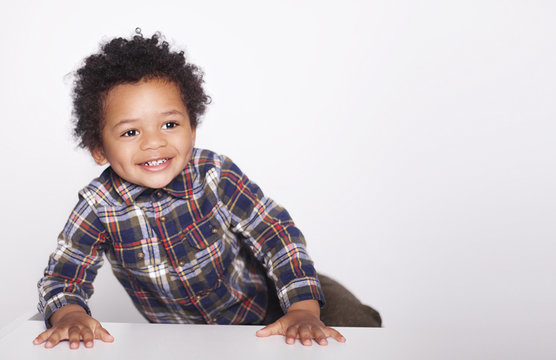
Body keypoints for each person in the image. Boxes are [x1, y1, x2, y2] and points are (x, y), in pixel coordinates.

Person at [33, 30, 378, 350]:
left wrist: (303, 309)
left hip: (275, 296)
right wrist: (70, 315)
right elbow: (63, 276)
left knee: (357, 325)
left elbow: (276, 235)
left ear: (192, 129)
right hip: (199, 339)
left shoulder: (214, 174)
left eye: (170, 124)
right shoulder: (97, 207)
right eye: (130, 132)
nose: (155, 142)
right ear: (98, 149)